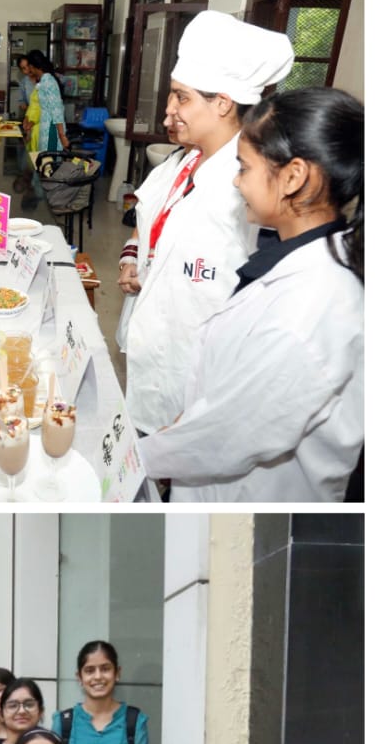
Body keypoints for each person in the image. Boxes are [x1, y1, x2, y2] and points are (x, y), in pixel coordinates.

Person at [138, 87, 363, 502]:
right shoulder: (287, 255)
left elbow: (232, 435)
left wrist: (134, 458)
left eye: (243, 168)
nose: (237, 182)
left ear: (294, 176)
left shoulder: (314, 306)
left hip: (255, 497)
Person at [115, 12, 295, 438]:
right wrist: (131, 257)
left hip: (196, 368)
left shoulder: (252, 185)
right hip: (152, 341)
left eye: (181, 98)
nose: (167, 113)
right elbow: (147, 222)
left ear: (223, 103)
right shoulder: (182, 162)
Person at [18, 51, 69, 160]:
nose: (28, 71)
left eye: (28, 67)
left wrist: (62, 135)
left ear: (32, 66)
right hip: (45, 128)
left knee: (50, 164)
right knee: (45, 163)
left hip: (52, 129)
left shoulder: (49, 82)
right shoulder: (42, 81)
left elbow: (57, 111)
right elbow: (35, 105)